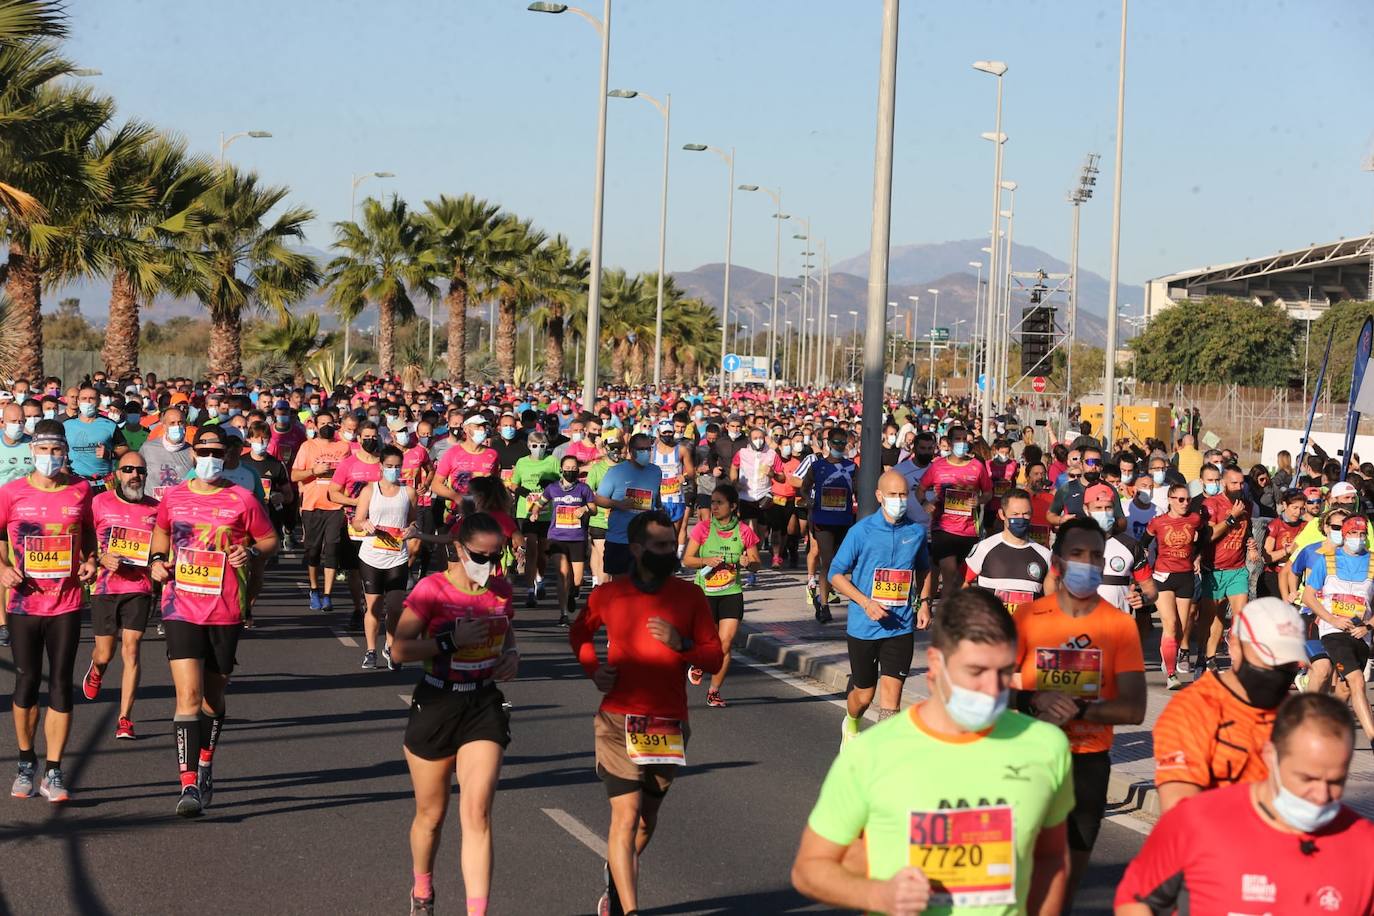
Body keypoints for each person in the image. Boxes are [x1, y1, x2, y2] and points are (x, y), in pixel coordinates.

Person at [791, 588, 1073, 916]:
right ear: (937, 663)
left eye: (1004, 672)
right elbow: (809, 869)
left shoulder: (1045, 746)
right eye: (976, 671)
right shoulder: (872, 753)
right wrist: (877, 895)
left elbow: (1051, 857)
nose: (993, 688)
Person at [569, 510, 724, 916]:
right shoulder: (610, 594)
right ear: (637, 549)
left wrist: (681, 644)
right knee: (626, 815)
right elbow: (580, 631)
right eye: (660, 545)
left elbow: (713, 656)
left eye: (672, 544)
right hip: (617, 719)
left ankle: (615, 874)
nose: (669, 552)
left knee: (645, 821)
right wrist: (593, 669)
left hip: (667, 722)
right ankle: (629, 909)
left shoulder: (689, 597)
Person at [1116, 693, 1374, 915]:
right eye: (1307, 778)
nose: (1321, 794)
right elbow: (1135, 902)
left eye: (1336, 781)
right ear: (1271, 756)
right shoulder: (1197, 821)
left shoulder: (1365, 845)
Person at [1011, 517, 1146, 908]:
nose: (1087, 563)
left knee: (1066, 887)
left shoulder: (1120, 625)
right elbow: (994, 688)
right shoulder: (1027, 618)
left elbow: (1135, 708)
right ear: (1057, 563)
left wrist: (1079, 708)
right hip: (1029, 759)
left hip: (1088, 762)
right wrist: (1034, 701)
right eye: (1077, 554)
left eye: (1095, 556)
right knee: (1020, 879)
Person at [390, 512, 519, 916]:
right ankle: (423, 889)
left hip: (482, 704)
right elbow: (399, 650)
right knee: (431, 815)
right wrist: (449, 642)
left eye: (496, 556)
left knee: (477, 812)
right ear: (459, 549)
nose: (489, 565)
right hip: (437, 702)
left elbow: (506, 630)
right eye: (481, 556)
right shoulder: (432, 589)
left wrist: (512, 654)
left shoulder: (501, 590)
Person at [149, 425, 277, 817]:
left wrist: (249, 553)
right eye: (203, 452)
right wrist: (157, 561)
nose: (209, 459)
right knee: (187, 696)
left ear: (227, 457)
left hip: (224, 607)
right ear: (193, 454)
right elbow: (160, 532)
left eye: (216, 453)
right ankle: (187, 784)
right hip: (180, 605)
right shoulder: (174, 496)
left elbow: (268, 540)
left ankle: (205, 762)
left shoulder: (242, 498)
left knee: (211, 698)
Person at [0, 421, 96, 802]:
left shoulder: (80, 489)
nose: (50, 457)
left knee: (60, 682)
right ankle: (26, 761)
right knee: (26, 680)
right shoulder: (11, 492)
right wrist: (2, 568)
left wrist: (91, 559)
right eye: (43, 450)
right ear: (32, 451)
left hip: (66, 602)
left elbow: (89, 531)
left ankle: (54, 770)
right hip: (24, 602)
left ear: (65, 452)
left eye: (56, 450)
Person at [1152, 596, 1307, 815]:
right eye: (1269, 658)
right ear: (1235, 646)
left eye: (1288, 661)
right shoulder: (1192, 710)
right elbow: (1179, 811)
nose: (1279, 670)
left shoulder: (1296, 715)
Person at [830, 470, 931, 745]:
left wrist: (924, 604)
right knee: (864, 695)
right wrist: (865, 602)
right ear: (879, 496)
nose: (899, 500)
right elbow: (835, 574)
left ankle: (884, 755)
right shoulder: (861, 532)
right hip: (864, 626)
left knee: (891, 699)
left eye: (903, 495)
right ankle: (851, 722)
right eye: (893, 495)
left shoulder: (916, 532)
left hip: (900, 625)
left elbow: (924, 569)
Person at [84, 450, 159, 740]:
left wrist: (159, 562)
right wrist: (101, 557)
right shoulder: (99, 503)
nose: (134, 475)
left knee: (131, 649)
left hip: (138, 587)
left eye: (140, 471)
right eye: (128, 470)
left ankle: (125, 718)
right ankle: (97, 669)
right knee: (105, 653)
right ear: (117, 474)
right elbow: (85, 541)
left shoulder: (156, 508)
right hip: (105, 587)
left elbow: (162, 546)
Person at [682, 484, 761, 707]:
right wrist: (705, 561)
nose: (714, 507)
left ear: (733, 506)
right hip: (705, 593)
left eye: (719, 503)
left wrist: (748, 563)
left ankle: (714, 692)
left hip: (731, 593)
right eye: (713, 502)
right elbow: (687, 560)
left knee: (725, 644)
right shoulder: (703, 528)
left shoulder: (744, 531)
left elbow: (756, 563)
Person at [1302, 515, 1374, 746]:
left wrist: (1368, 626)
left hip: (1361, 634)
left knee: (1344, 689)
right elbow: (1308, 597)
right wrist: (1332, 619)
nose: (1358, 538)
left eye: (1362, 534)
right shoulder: (1328, 559)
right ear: (1344, 534)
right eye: (1353, 533)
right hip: (1332, 630)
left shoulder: (1373, 561)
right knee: (1356, 681)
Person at [354, 444, 419, 670]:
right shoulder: (369, 490)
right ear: (381, 466)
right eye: (389, 466)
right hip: (371, 556)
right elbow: (356, 520)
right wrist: (364, 524)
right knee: (374, 606)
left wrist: (412, 528)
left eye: (398, 466)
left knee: (395, 607)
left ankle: (390, 647)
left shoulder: (408, 492)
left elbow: (413, 520)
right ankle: (371, 650)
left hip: (397, 556)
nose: (394, 470)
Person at [790, 427, 858, 622]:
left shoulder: (852, 467)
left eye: (843, 443)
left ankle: (828, 597)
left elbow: (859, 492)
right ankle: (824, 606)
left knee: (843, 563)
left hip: (844, 520)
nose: (840, 446)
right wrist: (809, 500)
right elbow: (804, 488)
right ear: (829, 443)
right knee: (827, 561)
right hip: (823, 521)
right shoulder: (817, 466)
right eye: (836, 442)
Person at [920, 425, 992, 601]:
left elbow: (988, 493)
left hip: (968, 530)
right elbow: (920, 489)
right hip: (943, 529)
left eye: (965, 439)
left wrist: (979, 500)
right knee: (949, 572)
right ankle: (944, 612)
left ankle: (953, 610)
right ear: (950, 443)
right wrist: (925, 503)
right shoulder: (938, 466)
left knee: (961, 580)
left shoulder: (977, 466)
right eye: (958, 439)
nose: (962, 443)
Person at [1143, 483, 1203, 689]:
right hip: (1163, 576)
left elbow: (1204, 537)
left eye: (1188, 500)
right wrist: (1145, 562)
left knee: (1180, 628)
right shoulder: (1158, 522)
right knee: (1169, 624)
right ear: (1170, 500)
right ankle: (1171, 674)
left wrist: (1197, 556)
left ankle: (1167, 656)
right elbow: (1144, 542)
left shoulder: (1195, 519)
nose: (1185, 503)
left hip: (1185, 576)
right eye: (1180, 499)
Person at [292, 407, 352, 612]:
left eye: (330, 423)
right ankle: (314, 589)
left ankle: (327, 594)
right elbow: (294, 475)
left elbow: (350, 474)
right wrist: (313, 471)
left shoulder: (343, 447)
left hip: (336, 505)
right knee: (313, 550)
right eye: (322, 423)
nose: (326, 426)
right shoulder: (307, 446)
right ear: (315, 426)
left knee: (333, 548)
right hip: (313, 505)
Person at [1195, 465, 1253, 673]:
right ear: (1223, 483)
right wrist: (1231, 517)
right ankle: (1205, 655)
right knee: (1211, 616)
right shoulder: (1211, 504)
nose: (1238, 487)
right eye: (1234, 483)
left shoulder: (1247, 505)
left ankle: (1237, 653)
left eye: (1241, 483)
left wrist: (1251, 544)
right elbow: (1209, 536)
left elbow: (1247, 531)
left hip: (1237, 568)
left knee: (1241, 615)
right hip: (1214, 569)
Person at [962, 488, 1052, 616]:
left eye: (1026, 514)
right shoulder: (985, 548)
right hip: (992, 625)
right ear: (1002, 514)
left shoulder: (1045, 555)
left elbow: (1051, 599)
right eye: (1015, 514)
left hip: (1028, 626)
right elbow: (964, 583)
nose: (1021, 518)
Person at [531, 453, 595, 626]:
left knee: (577, 580)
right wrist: (535, 513)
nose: (570, 471)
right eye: (567, 468)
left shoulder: (584, 489)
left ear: (578, 470)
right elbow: (539, 503)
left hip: (577, 537)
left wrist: (584, 508)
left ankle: (573, 591)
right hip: (557, 537)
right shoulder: (552, 488)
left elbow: (594, 508)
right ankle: (563, 613)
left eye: (574, 468)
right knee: (562, 574)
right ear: (561, 470)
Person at [593, 432, 662, 581]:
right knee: (620, 584)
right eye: (641, 449)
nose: (645, 452)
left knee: (645, 583)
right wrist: (618, 504)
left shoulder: (656, 471)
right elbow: (598, 498)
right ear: (631, 451)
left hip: (645, 540)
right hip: (619, 539)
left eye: (648, 449)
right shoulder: (616, 472)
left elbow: (657, 499)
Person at [511, 430, 559, 607]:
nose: (538, 449)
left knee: (543, 552)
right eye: (535, 445)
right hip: (526, 511)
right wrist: (521, 490)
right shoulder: (522, 462)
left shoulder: (552, 461)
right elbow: (513, 483)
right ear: (528, 446)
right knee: (531, 549)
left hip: (546, 511)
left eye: (542, 446)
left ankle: (540, 578)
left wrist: (551, 485)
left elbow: (561, 482)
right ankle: (530, 590)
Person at [63, 384, 126, 490]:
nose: (87, 402)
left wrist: (110, 454)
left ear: (98, 401)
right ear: (78, 401)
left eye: (91, 398)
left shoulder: (110, 424)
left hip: (104, 483)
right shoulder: (66, 424)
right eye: (84, 398)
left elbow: (124, 448)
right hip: (76, 482)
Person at [1262, 489, 1306, 599]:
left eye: (1301, 508)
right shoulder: (1275, 525)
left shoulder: (1305, 526)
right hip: (1274, 574)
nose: (1298, 512)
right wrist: (1287, 551)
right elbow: (1267, 557)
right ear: (1285, 505)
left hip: (1296, 575)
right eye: (1295, 508)